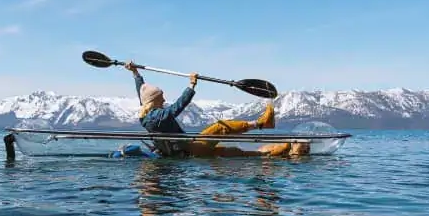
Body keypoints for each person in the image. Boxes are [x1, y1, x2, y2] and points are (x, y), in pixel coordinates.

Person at [124, 61, 308, 158]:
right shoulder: (158, 117)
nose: (164, 99)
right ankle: (262, 124)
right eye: (160, 97)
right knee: (220, 128)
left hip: (187, 149)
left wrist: (135, 73)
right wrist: (191, 85)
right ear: (154, 101)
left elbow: (142, 92)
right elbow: (177, 107)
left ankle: (275, 150)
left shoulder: (146, 113)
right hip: (188, 150)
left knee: (232, 153)